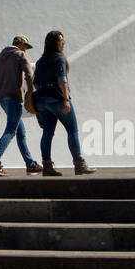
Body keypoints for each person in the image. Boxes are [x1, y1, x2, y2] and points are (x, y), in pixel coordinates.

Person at [33, 30, 95, 176]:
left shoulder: (40, 61)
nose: (64, 42)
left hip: (42, 101)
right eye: (61, 40)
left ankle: (47, 166)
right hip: (57, 99)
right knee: (72, 130)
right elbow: (62, 80)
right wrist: (66, 99)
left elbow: (35, 82)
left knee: (47, 133)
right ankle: (79, 164)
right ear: (55, 43)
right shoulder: (59, 58)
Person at [0, 35, 41, 176]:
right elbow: (30, 75)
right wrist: (32, 95)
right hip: (15, 98)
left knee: (20, 132)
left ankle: (30, 164)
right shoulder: (20, 55)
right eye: (26, 46)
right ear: (20, 44)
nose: (26, 50)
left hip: (3, 100)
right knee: (10, 131)